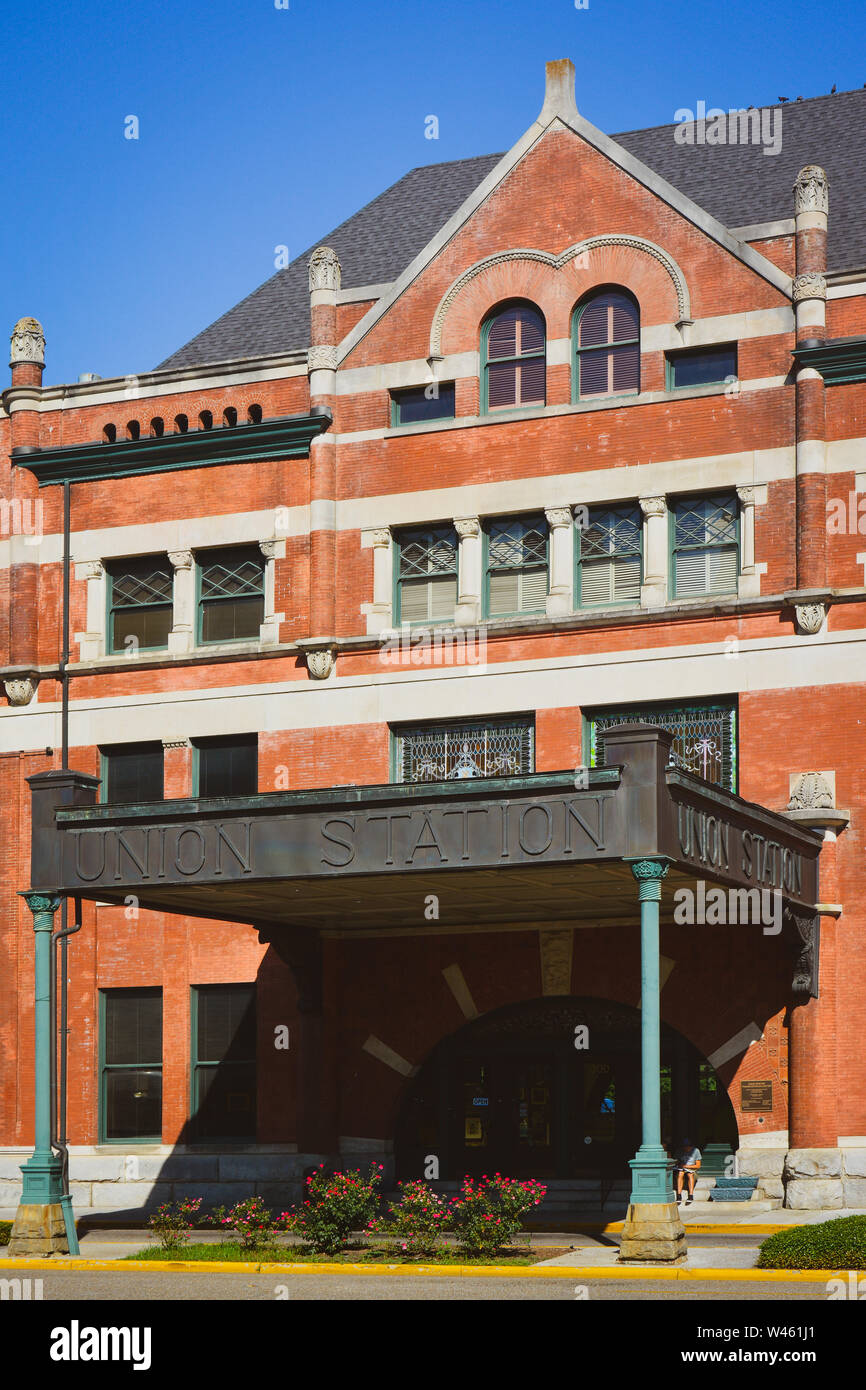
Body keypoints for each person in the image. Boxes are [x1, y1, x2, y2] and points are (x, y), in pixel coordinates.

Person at [673, 1137, 701, 1204]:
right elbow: (676, 1161)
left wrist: (686, 1166)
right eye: (684, 1147)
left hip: (692, 1169)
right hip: (682, 1168)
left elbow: (698, 1166)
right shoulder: (679, 1151)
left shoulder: (696, 1151)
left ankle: (690, 1195)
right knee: (680, 1174)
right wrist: (678, 1164)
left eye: (688, 1147)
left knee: (690, 1174)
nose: (686, 1148)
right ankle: (679, 1196)